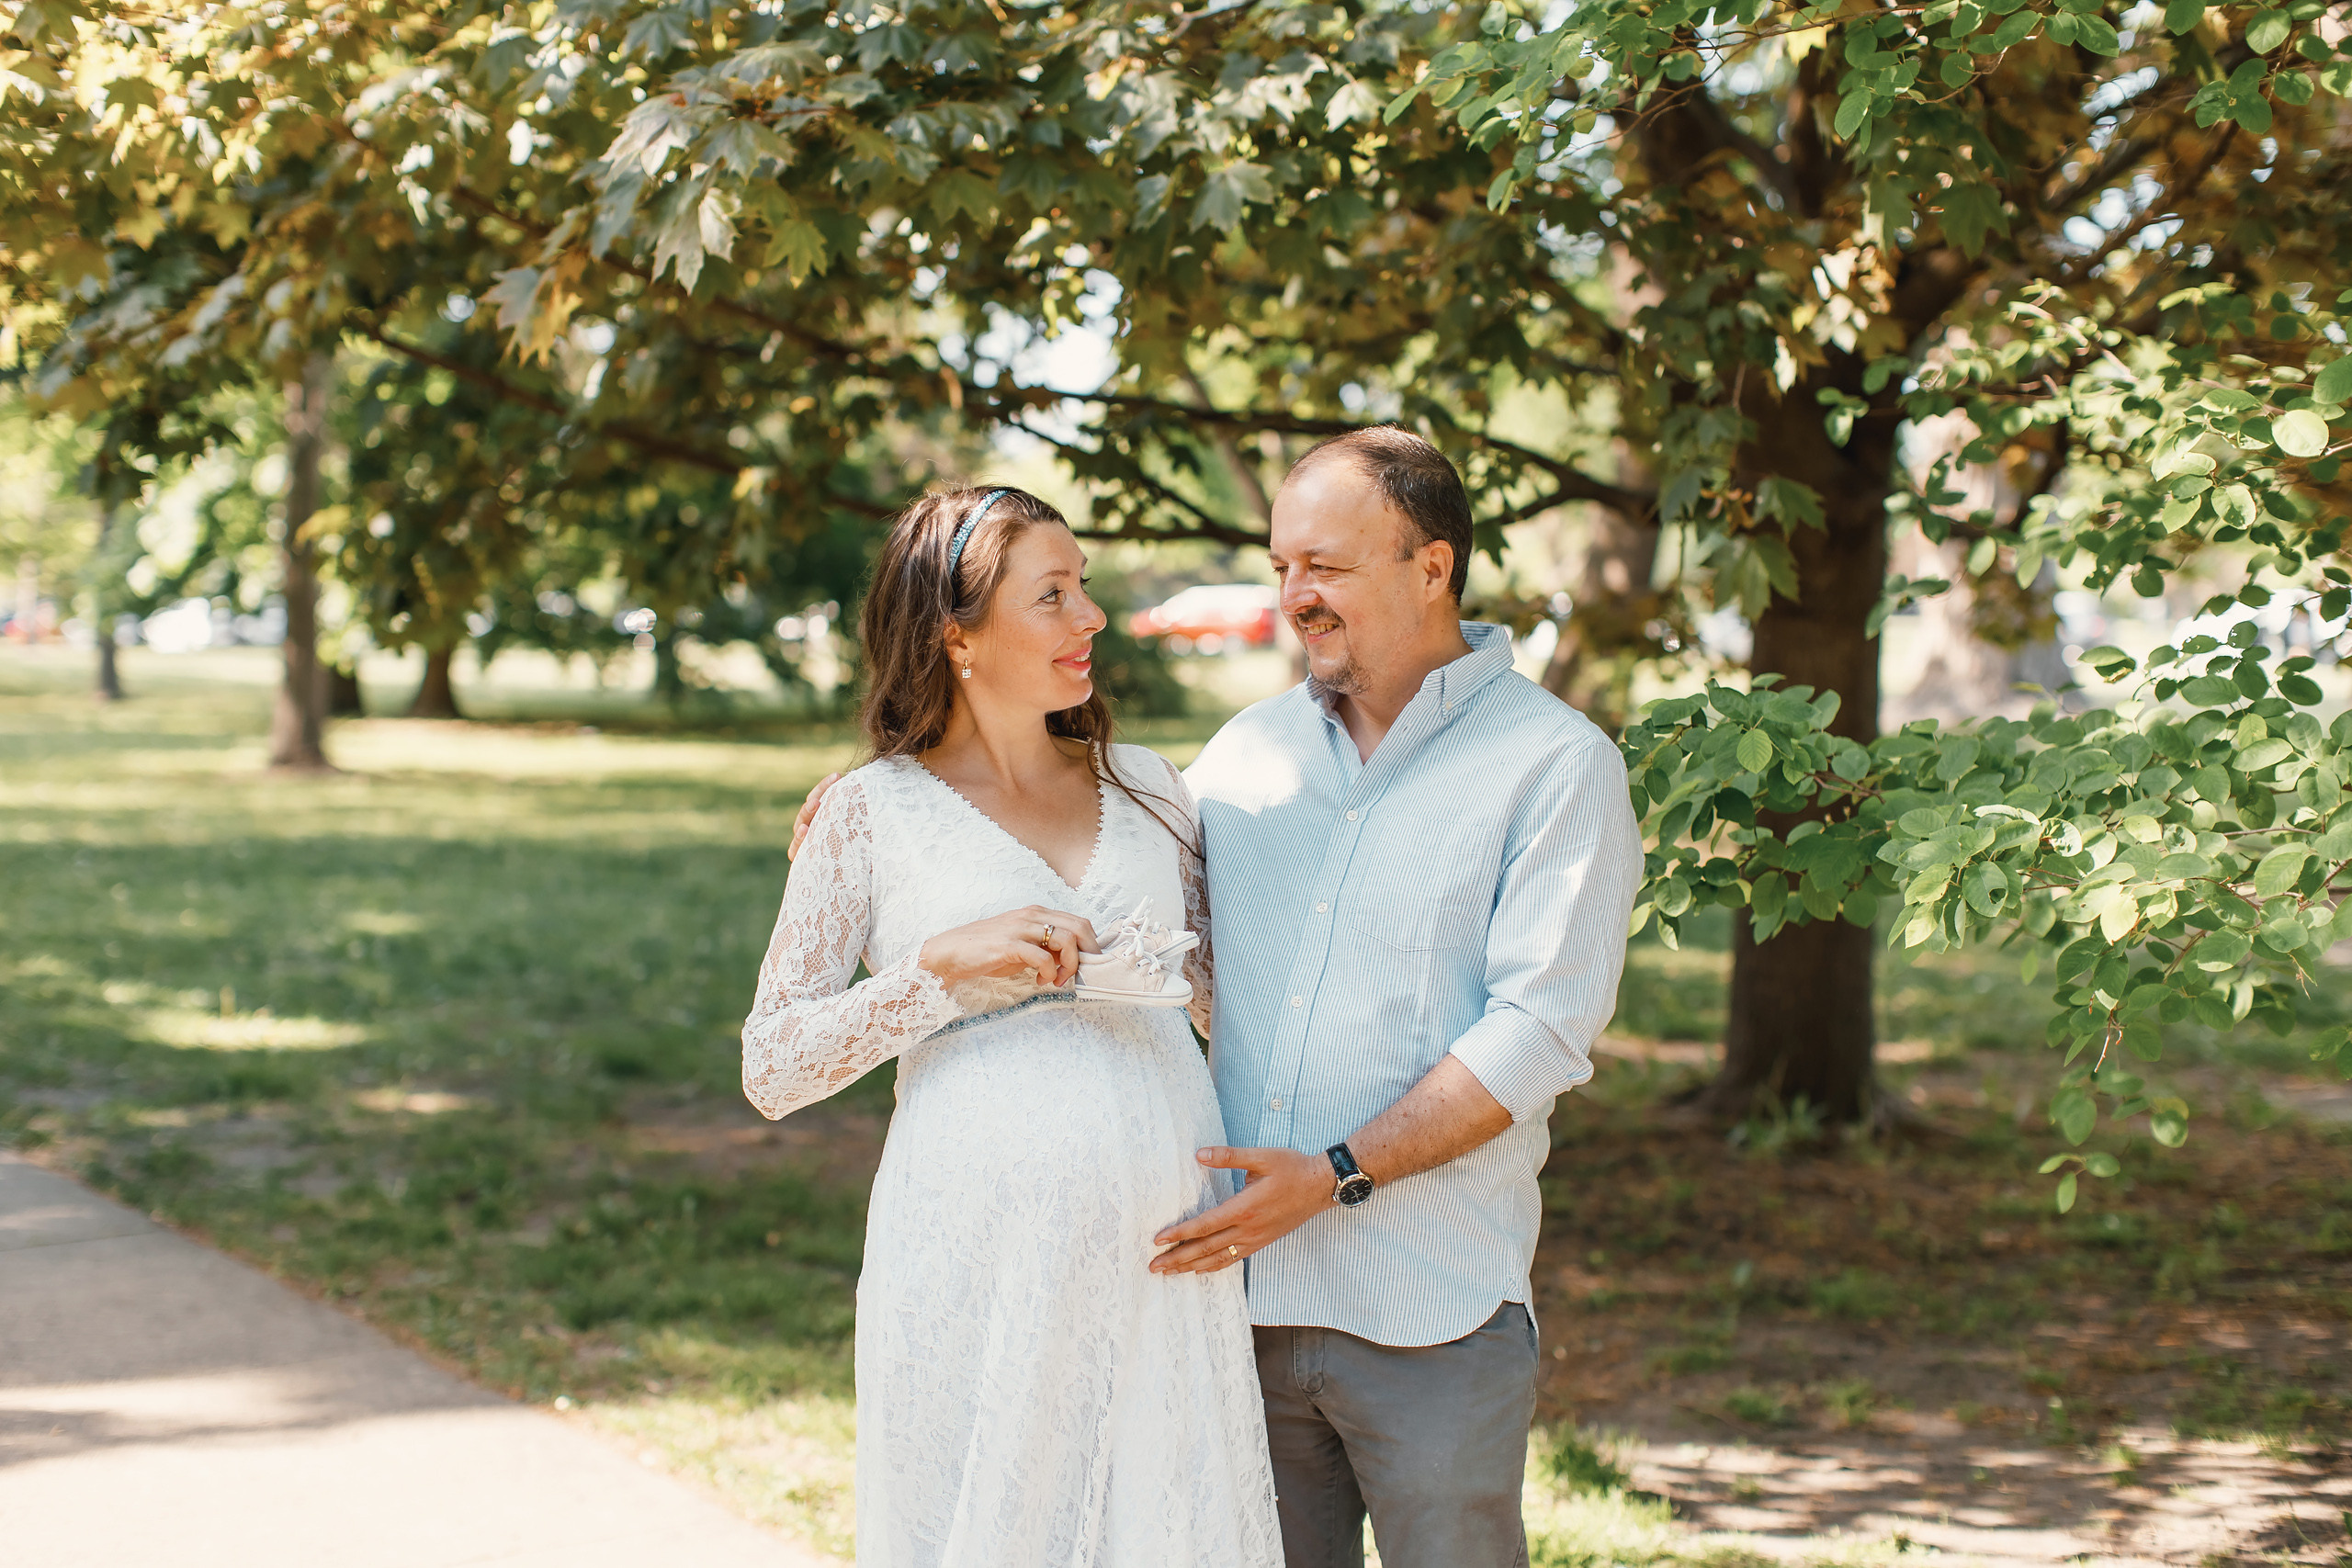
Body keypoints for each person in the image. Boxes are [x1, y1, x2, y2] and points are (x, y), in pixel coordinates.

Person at [791, 432, 1641, 1568]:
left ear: (1431, 567)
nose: (1294, 596)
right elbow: (1142, 927)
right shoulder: (1240, 757)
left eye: (1325, 568)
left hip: (1425, 1295)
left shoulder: (1555, 763)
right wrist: (876, 841)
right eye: (1284, 563)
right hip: (1219, 1301)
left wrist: (1335, 1172)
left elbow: (1537, 1034)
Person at [742, 486, 1280, 1568]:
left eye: (1083, 588)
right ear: (958, 635)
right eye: (1053, 595)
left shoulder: (1153, 792)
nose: (1090, 618)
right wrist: (934, 972)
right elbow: (774, 1066)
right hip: (974, 1257)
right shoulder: (868, 812)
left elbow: (1228, 1003)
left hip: (1166, 1257)